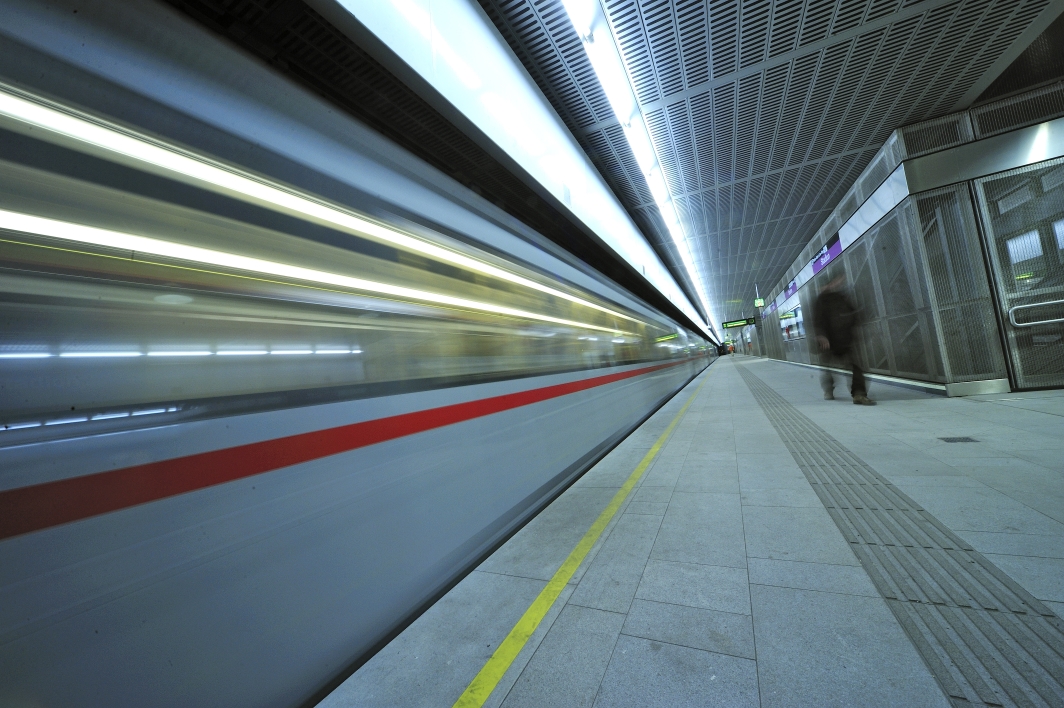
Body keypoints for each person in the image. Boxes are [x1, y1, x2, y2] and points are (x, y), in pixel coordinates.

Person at [813, 274, 875, 405]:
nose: (839, 283)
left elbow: (854, 314)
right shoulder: (821, 300)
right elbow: (817, 321)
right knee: (827, 369)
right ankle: (828, 389)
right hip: (828, 342)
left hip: (846, 339)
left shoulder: (842, 297)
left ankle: (859, 394)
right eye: (837, 281)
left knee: (856, 366)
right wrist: (821, 335)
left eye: (840, 281)